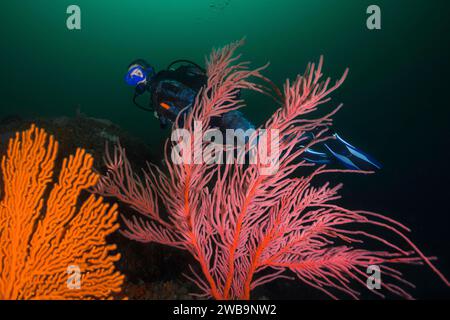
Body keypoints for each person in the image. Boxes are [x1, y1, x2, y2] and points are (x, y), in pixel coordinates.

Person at [124, 59, 381, 170]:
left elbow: (190, 104)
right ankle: (315, 147)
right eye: (131, 78)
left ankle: (320, 140)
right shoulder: (158, 94)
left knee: (260, 147)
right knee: (261, 150)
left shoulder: (162, 86)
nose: (136, 79)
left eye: (137, 73)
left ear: (148, 69)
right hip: (220, 122)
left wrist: (193, 121)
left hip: (220, 118)